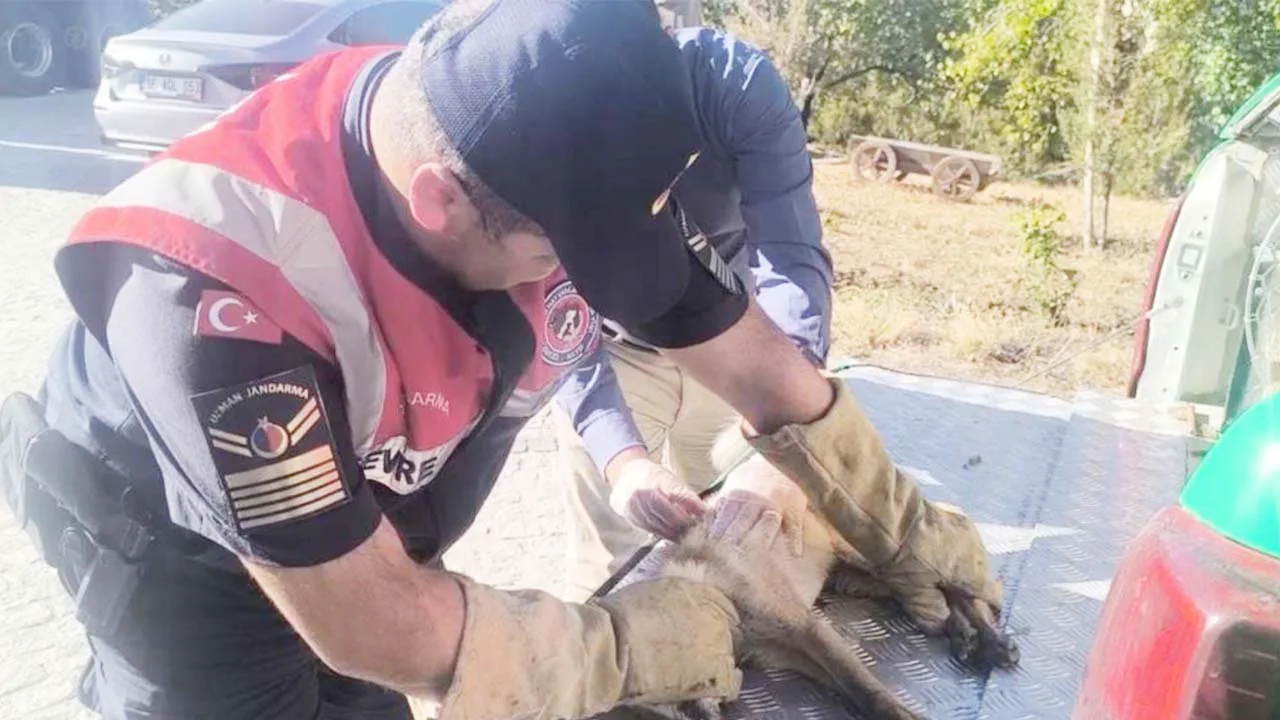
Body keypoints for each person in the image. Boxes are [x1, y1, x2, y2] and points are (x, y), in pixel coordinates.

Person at [0, 1, 1005, 719]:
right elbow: (372, 626)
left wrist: (898, 525)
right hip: (184, 553)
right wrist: (625, 646)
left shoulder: (533, 149)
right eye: (555, 255)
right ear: (437, 199)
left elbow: (753, 363)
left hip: (376, 522)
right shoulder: (213, 291)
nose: (588, 286)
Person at [552, 22, 835, 602]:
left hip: (729, 335)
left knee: (740, 543)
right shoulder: (544, 110)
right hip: (611, 349)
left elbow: (790, 255)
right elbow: (552, 306)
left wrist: (786, 439)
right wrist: (624, 463)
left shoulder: (741, 86)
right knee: (615, 574)